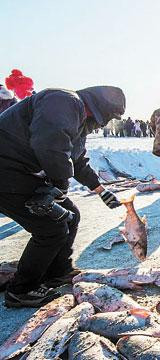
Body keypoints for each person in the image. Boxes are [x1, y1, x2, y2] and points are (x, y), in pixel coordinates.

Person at [0, 86, 125, 307]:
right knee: (50, 229)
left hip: (19, 171)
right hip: (6, 171)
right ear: (99, 109)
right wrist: (58, 186)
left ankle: (57, 271)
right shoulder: (64, 100)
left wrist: (101, 191)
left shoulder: (78, 123)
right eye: (108, 117)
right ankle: (21, 290)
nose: (105, 124)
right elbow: (50, 145)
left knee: (72, 215)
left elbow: (77, 161)